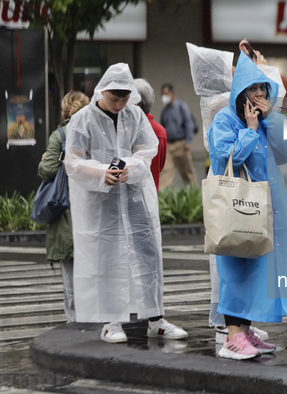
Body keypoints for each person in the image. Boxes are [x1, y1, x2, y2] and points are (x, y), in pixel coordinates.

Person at [64, 63, 188, 343]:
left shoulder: (135, 116)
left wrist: (128, 170)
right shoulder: (83, 119)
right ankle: (111, 322)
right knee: (107, 261)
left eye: (124, 98)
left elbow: (147, 152)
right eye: (114, 99)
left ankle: (156, 318)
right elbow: (72, 161)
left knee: (148, 257)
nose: (119, 105)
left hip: (135, 200)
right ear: (102, 91)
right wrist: (100, 173)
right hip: (101, 205)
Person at [207, 52, 287, 360]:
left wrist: (271, 118)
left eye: (264, 90)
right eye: (254, 90)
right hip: (238, 208)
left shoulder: (267, 119)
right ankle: (232, 338)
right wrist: (250, 131)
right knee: (238, 267)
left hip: (265, 208)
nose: (261, 95)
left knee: (258, 269)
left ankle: (245, 331)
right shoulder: (225, 119)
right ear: (241, 93)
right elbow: (226, 158)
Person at [186, 40, 287, 345]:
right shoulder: (222, 108)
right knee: (232, 264)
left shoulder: (235, 105)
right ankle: (231, 332)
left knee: (249, 262)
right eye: (231, 69)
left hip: (248, 192)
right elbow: (229, 151)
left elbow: (284, 142)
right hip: (233, 191)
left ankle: (241, 330)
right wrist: (261, 69)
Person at [38, 90, 90, 323]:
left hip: (66, 208)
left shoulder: (60, 135)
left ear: (64, 111)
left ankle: (75, 318)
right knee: (92, 266)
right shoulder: (95, 131)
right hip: (92, 206)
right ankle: (97, 314)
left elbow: (47, 170)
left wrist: (45, 161)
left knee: (69, 270)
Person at [159, 83, 198, 188]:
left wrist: (188, 141)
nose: (164, 97)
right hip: (168, 146)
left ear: (172, 93)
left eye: (166, 94)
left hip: (181, 144)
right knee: (165, 172)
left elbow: (188, 123)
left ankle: (194, 194)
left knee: (187, 172)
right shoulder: (165, 111)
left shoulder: (181, 106)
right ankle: (161, 197)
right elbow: (162, 129)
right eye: (162, 94)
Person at [133, 78, 167, 192]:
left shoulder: (129, 129)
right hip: (151, 195)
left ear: (135, 102)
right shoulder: (160, 131)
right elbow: (160, 167)